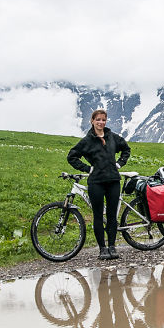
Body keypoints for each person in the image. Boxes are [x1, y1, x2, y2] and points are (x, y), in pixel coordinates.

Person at [67, 109, 131, 260]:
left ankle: (112, 247)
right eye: (98, 120)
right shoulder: (87, 140)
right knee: (97, 216)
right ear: (92, 121)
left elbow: (126, 150)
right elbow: (72, 156)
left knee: (111, 216)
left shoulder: (113, 137)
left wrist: (119, 164)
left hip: (113, 181)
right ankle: (102, 248)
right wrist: (87, 168)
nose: (101, 122)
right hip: (96, 182)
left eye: (103, 120)